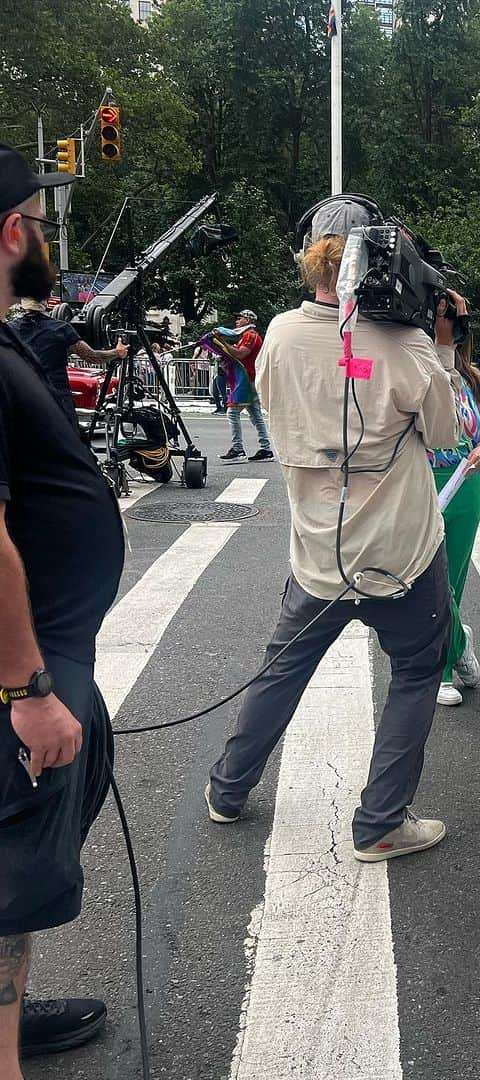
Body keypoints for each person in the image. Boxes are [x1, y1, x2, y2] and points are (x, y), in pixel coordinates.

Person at [207, 197, 464, 862]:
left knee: (282, 669)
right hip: (402, 555)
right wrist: (440, 345)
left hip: (319, 553)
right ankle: (380, 823)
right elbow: (445, 437)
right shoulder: (408, 346)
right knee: (415, 671)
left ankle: (227, 789)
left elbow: (282, 409)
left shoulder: (281, 335)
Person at [0, 144, 126, 1073]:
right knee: (10, 879)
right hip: (23, 671)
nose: (47, 233)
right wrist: (30, 688)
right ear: (11, 234)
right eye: (41, 221)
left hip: (46, 652)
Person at [429, 322, 480, 707]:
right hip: (420, 482)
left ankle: (444, 665)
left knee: (455, 578)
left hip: (464, 484)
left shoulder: (473, 379)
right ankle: (457, 647)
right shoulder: (413, 365)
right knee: (432, 580)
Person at [8, 299, 128, 427]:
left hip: (21, 397)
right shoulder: (61, 329)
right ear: (45, 303)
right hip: (56, 398)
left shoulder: (9, 329)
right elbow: (93, 357)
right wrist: (117, 352)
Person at [218, 310, 273, 463]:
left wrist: (222, 343)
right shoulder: (247, 336)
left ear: (248, 320)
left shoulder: (250, 336)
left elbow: (240, 354)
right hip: (249, 378)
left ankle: (238, 450)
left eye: (240, 318)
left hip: (247, 380)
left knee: (232, 412)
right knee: (255, 414)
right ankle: (266, 449)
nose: (237, 321)